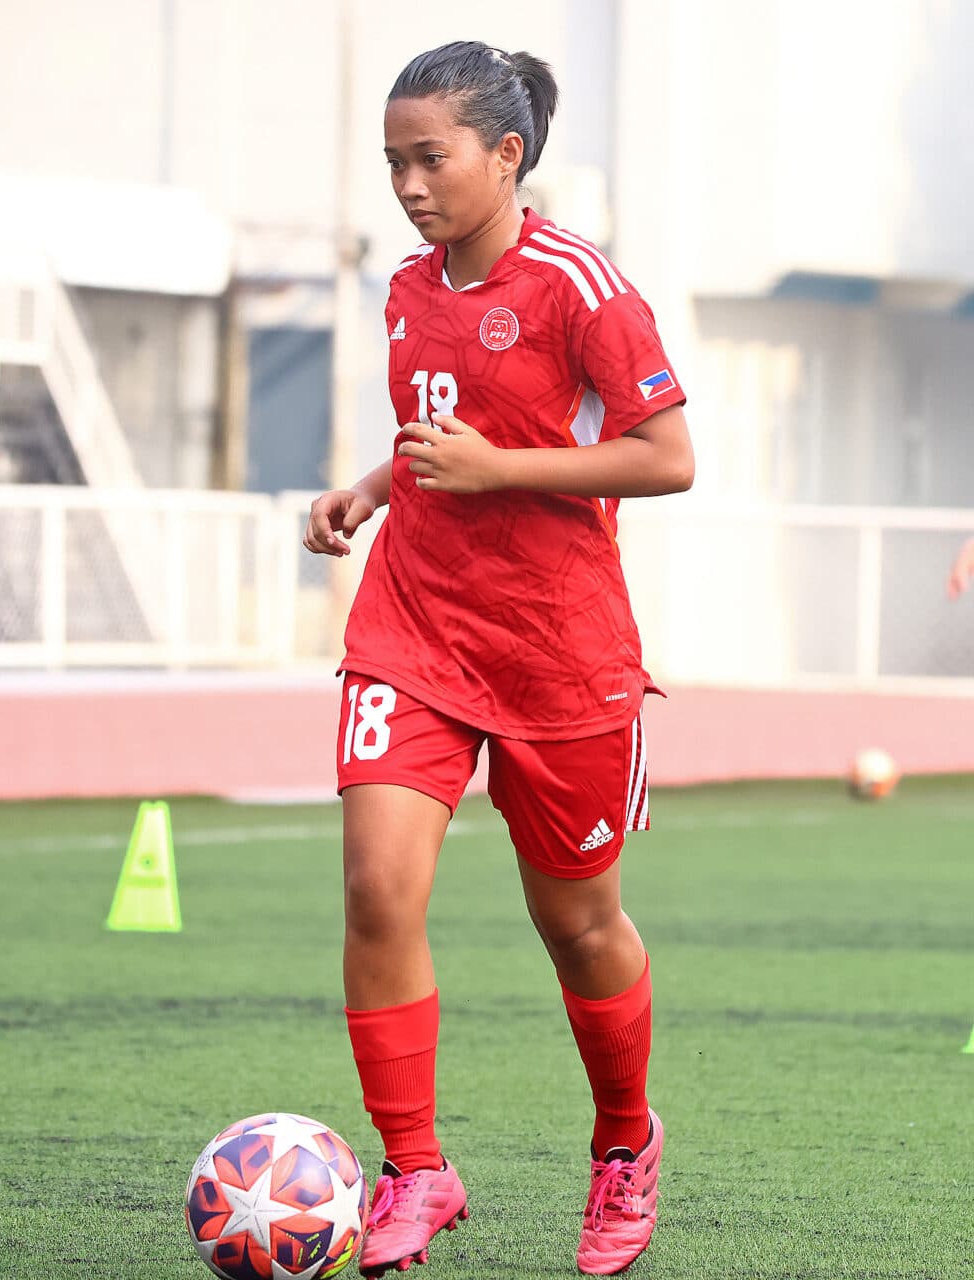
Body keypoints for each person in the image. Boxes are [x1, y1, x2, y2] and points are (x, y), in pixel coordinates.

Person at [304, 40, 694, 1277]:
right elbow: (443, 426)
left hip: (559, 655)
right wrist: (372, 486)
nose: (409, 184)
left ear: (505, 153)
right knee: (375, 885)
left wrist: (499, 471)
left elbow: (666, 454)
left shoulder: (584, 285)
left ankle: (624, 1144)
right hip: (413, 628)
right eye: (393, 162)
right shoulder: (409, 288)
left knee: (578, 926)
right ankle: (416, 1165)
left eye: (431, 158)